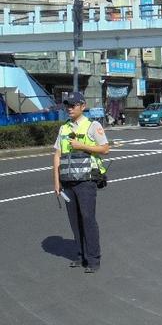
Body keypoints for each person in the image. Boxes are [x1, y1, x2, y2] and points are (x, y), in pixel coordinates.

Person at [53, 92, 109, 273]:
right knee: (74, 220)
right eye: (67, 105)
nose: (69, 108)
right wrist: (56, 181)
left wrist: (82, 146)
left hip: (86, 181)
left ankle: (93, 259)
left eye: (73, 105)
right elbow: (57, 155)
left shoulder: (93, 125)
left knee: (88, 219)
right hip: (68, 181)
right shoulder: (63, 128)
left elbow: (105, 149)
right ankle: (80, 255)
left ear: (82, 106)